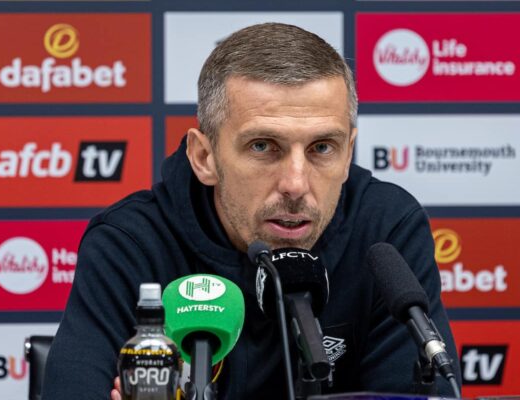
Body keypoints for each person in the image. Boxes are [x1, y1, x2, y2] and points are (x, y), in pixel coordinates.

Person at [42, 22, 460, 400]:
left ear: (348, 152)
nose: (296, 184)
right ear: (203, 157)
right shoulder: (130, 245)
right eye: (263, 146)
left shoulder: (386, 230)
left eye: (321, 148)